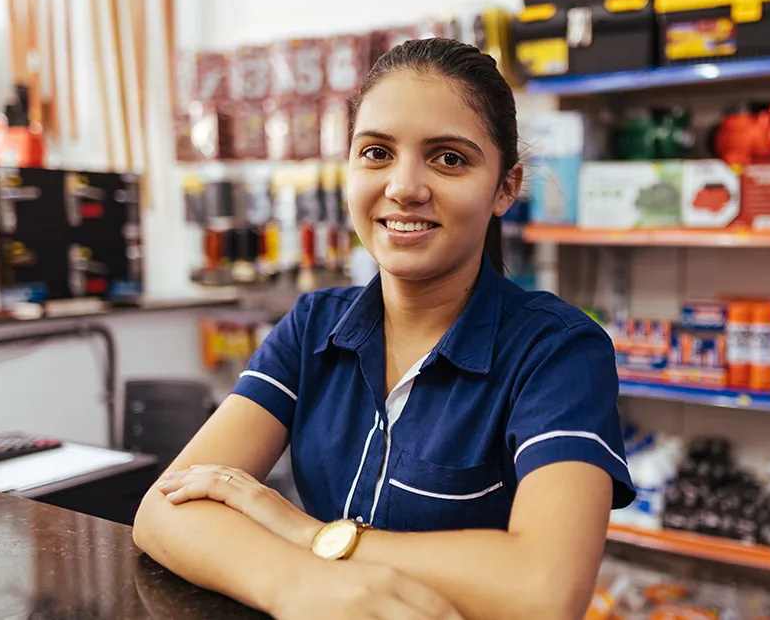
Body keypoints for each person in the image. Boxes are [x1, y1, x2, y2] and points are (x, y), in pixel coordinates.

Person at [132, 38, 635, 620]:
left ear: (505, 187)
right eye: (376, 153)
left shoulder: (557, 352)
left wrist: (309, 536)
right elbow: (165, 509)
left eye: (449, 158)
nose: (404, 187)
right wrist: (296, 586)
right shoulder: (313, 325)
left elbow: (544, 589)